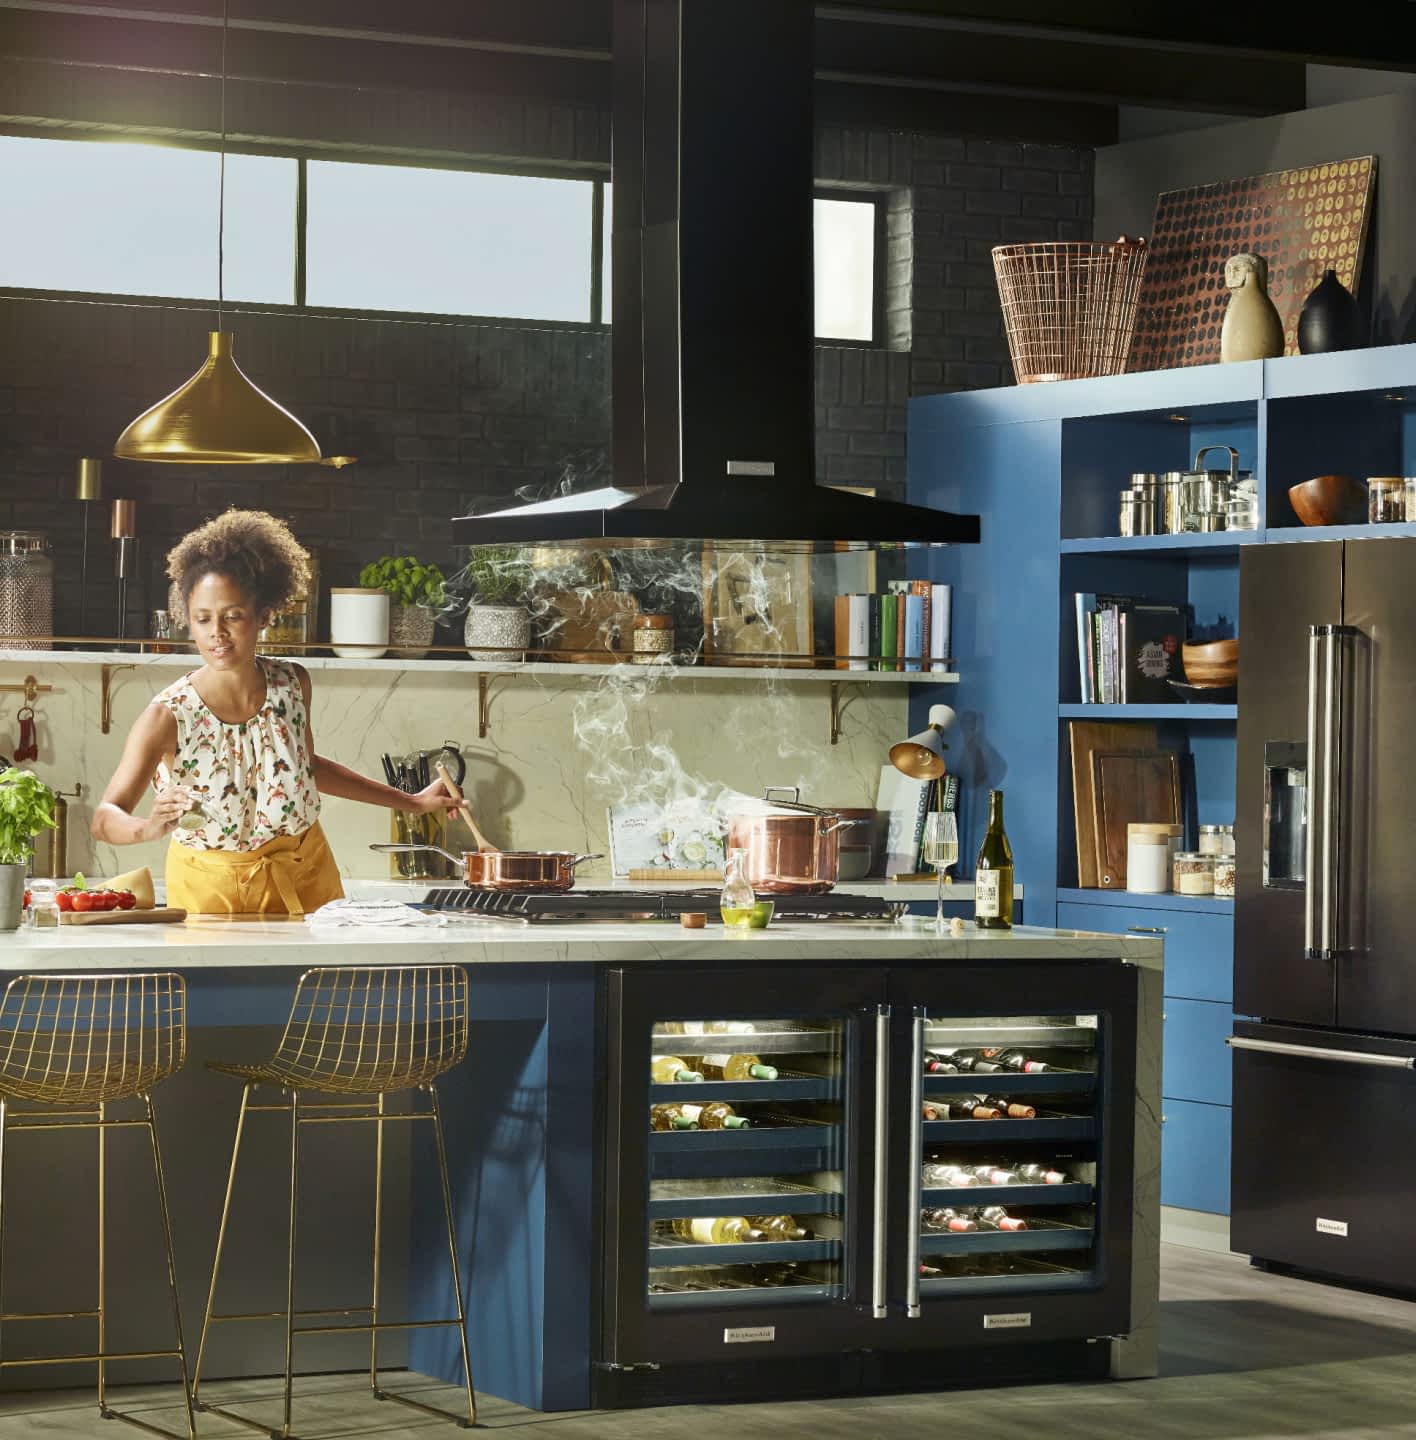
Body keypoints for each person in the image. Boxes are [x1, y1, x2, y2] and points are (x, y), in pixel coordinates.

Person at [93, 509, 452, 915]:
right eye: (203, 619)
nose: (217, 633)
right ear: (187, 621)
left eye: (233, 616)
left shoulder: (293, 684)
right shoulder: (169, 715)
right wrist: (147, 827)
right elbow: (105, 818)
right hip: (210, 890)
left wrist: (414, 802)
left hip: (307, 872)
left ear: (263, 614)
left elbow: (306, 767)